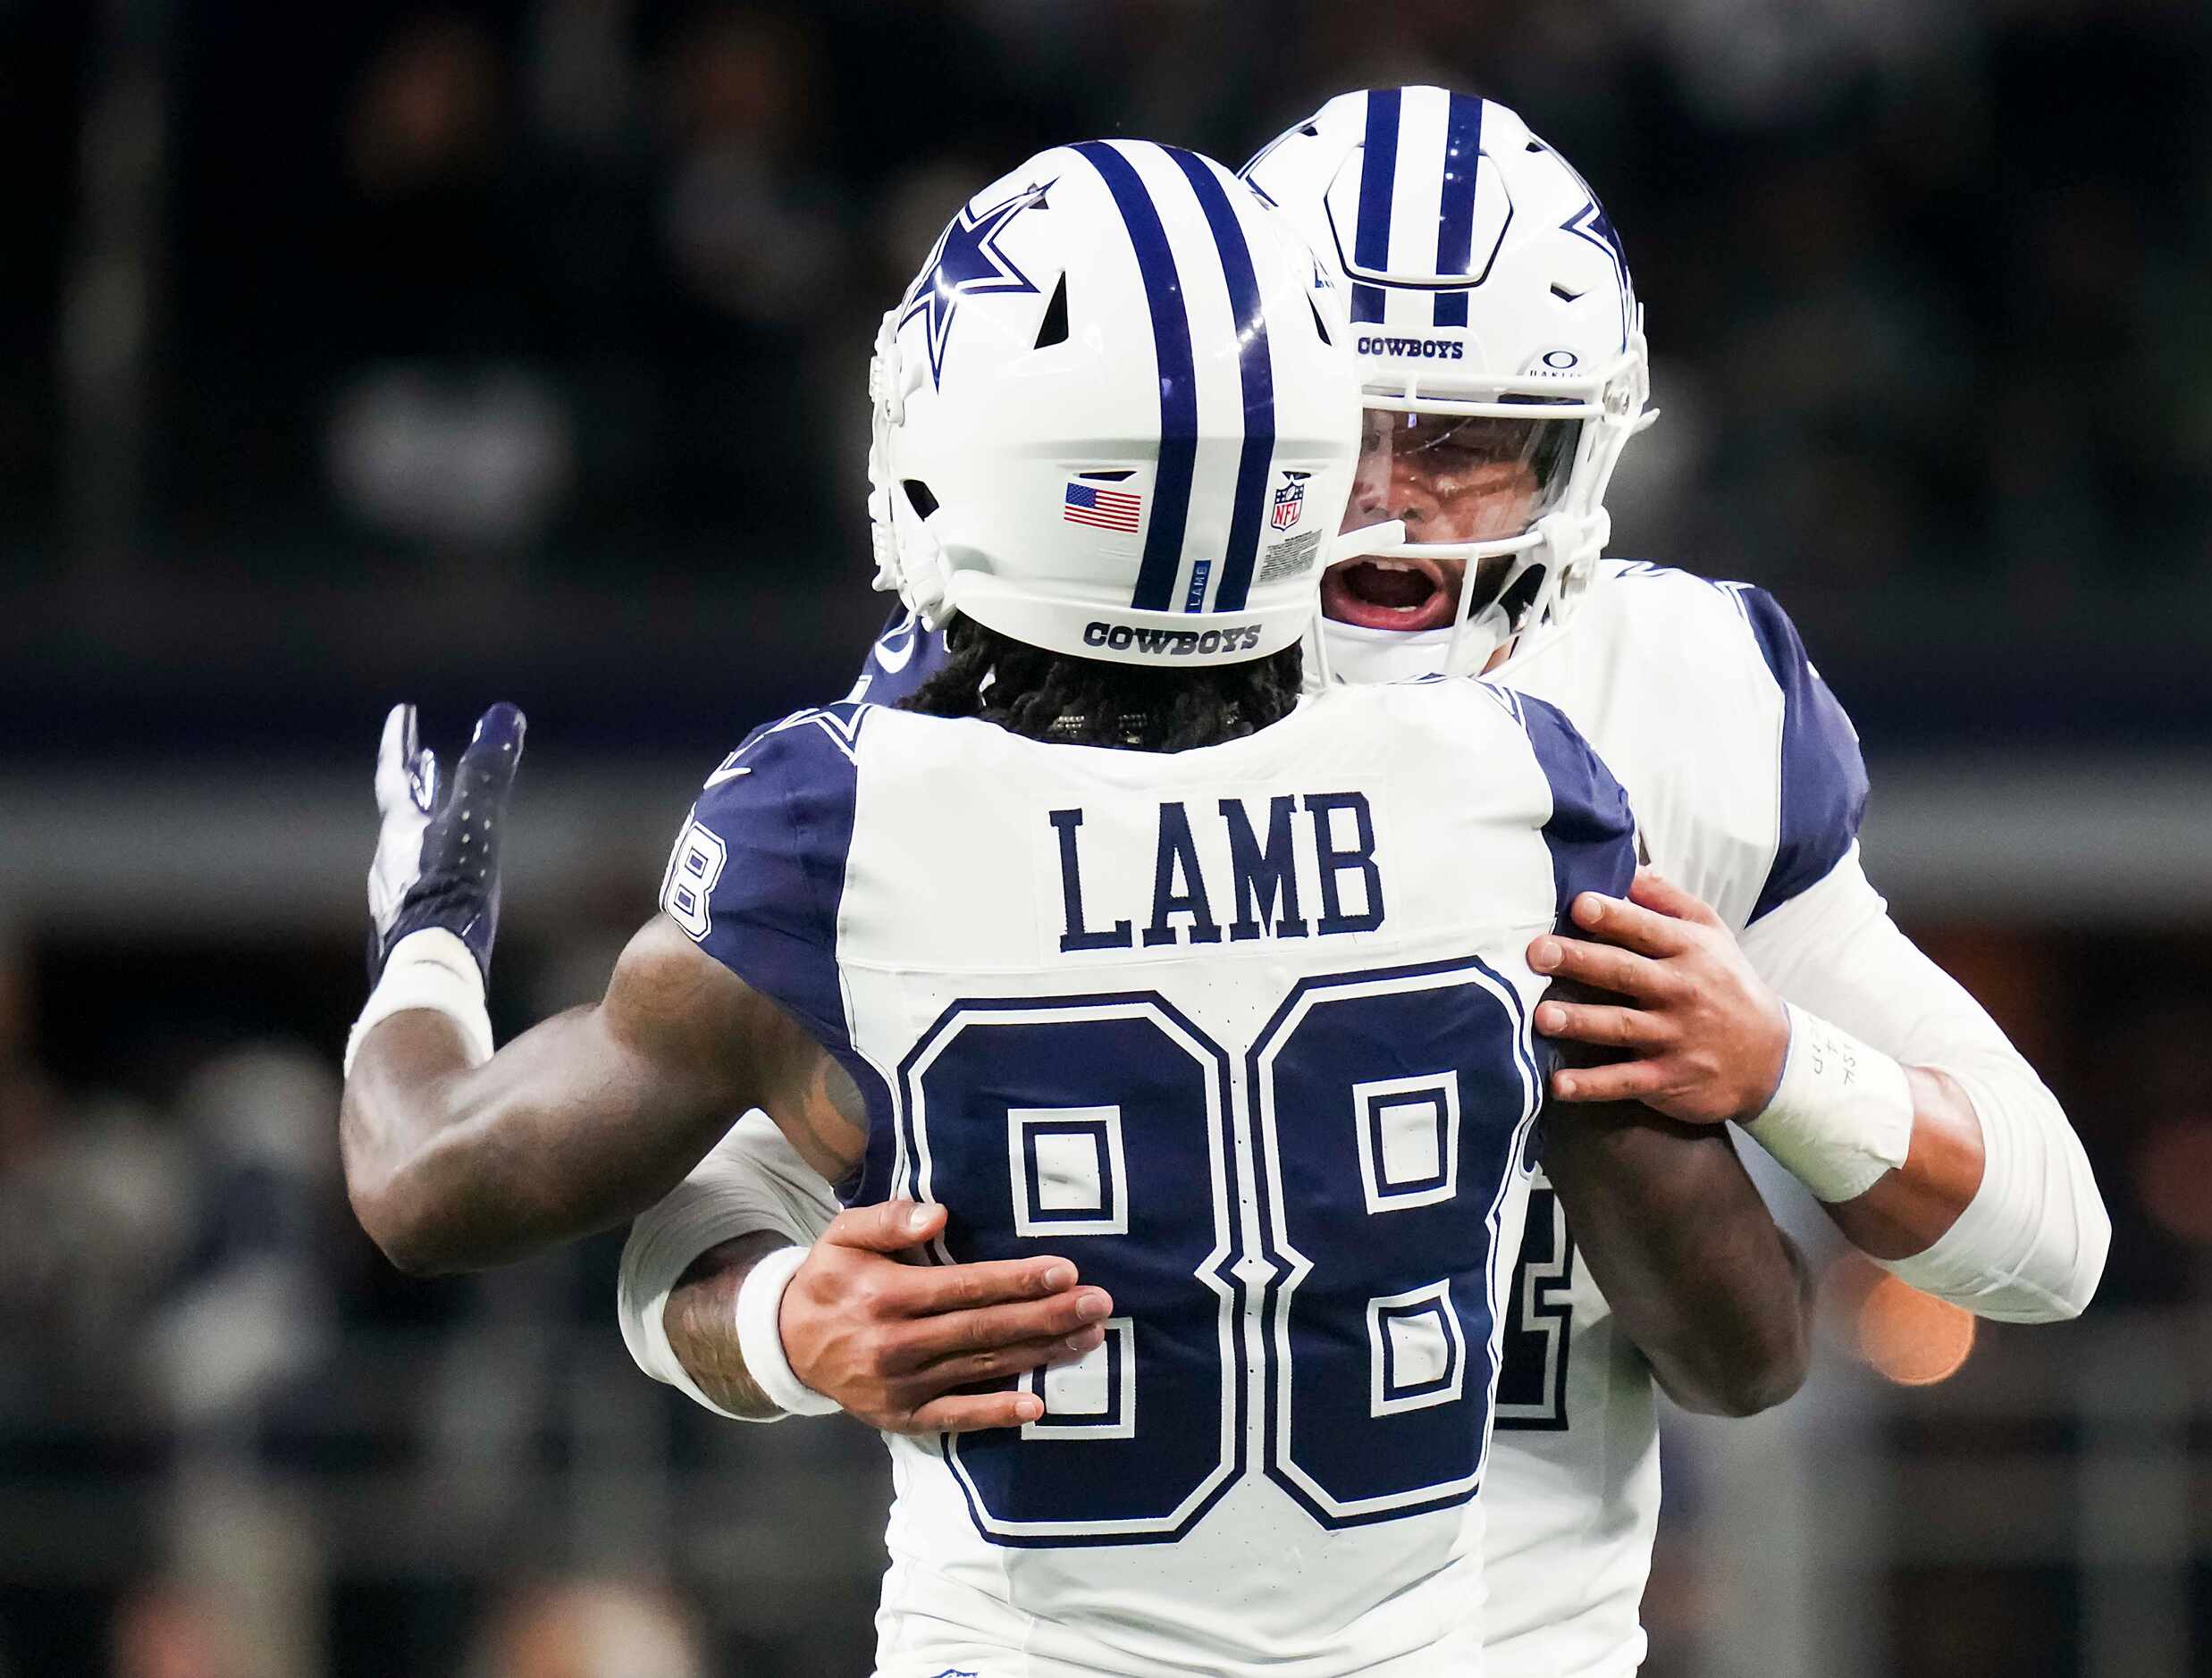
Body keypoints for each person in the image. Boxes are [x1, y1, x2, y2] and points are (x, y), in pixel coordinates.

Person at [623, 88, 2113, 1678]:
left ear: (1579, 449)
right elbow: (690, 1228)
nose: (1394, 505)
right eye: (1350, 430)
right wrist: (791, 1324)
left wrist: (1779, 1065)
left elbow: (2045, 1240)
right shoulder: (1006, 696)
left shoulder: (1677, 700)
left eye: (1465, 443)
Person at [340, 138, 1809, 1675]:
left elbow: (428, 1183)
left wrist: (426, 942)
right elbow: (1744, 1347)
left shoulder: (841, 825)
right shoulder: (1518, 788)